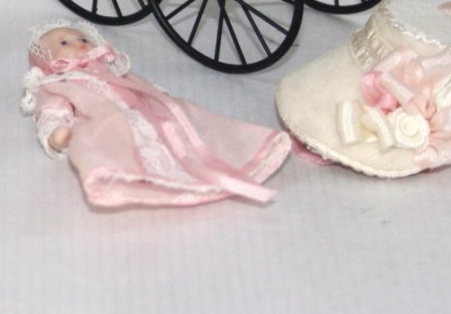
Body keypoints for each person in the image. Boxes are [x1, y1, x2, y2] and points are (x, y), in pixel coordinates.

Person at [21, 19, 290, 209]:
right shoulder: (59, 85)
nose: (78, 45)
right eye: (64, 42)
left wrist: (161, 98)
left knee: (187, 128)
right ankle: (148, 178)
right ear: (45, 59)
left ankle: (233, 155)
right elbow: (51, 113)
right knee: (121, 146)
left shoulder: (113, 70)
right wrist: (57, 135)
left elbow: (141, 87)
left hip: (148, 113)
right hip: (109, 127)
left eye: (82, 39)